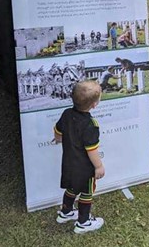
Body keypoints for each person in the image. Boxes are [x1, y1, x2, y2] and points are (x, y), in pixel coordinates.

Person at [53, 81, 105, 234]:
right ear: (94, 105)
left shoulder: (67, 114)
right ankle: (83, 222)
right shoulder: (91, 125)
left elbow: (57, 130)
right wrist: (98, 166)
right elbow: (92, 151)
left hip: (68, 164)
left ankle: (66, 212)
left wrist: (58, 138)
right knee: (86, 192)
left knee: (71, 188)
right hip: (85, 168)